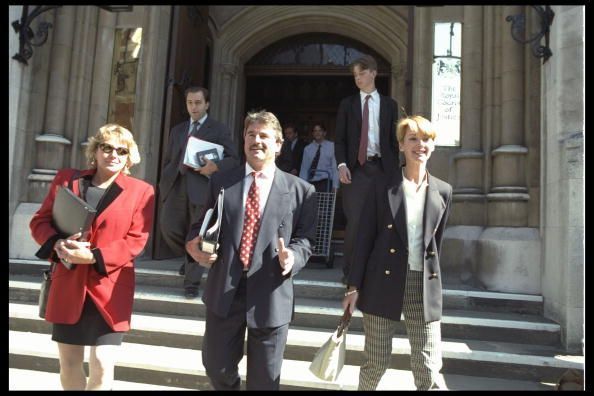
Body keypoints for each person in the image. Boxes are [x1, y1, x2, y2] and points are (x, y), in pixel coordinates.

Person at [185, 110, 317, 390]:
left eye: (264, 136)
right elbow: (200, 225)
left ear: (279, 144)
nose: (257, 140)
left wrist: (292, 256)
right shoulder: (221, 183)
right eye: (251, 134)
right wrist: (194, 245)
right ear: (243, 140)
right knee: (216, 366)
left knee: (265, 381)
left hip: (270, 293)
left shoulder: (301, 191)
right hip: (225, 290)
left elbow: (306, 240)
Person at [29, 123, 155, 390]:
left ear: (130, 156)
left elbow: (136, 240)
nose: (114, 155)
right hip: (68, 283)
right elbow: (39, 222)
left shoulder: (141, 191)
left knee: (102, 361)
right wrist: (57, 244)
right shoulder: (67, 180)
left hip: (109, 287)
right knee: (69, 362)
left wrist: (94, 257)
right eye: (107, 148)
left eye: (122, 150)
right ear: (95, 151)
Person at [342, 116, 452, 390]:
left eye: (425, 139)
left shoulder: (444, 191)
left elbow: (435, 243)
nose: (420, 145)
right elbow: (364, 237)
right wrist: (353, 285)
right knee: (376, 362)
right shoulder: (383, 185)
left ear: (433, 146)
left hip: (422, 286)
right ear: (401, 146)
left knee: (428, 367)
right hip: (382, 281)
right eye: (412, 139)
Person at [158, 86, 239, 299]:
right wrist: (164, 181)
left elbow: (233, 159)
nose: (193, 107)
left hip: (202, 188)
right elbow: (169, 159)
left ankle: (191, 282)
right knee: (168, 227)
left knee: (197, 235)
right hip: (176, 185)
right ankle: (190, 257)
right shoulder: (178, 130)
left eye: (198, 103)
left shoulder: (219, 129)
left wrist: (216, 167)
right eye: (190, 103)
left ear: (207, 104)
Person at [334, 54, 399, 284]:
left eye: (361, 73)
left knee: (381, 221)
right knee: (356, 221)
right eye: (355, 75)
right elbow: (339, 139)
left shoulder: (390, 105)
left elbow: (394, 141)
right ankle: (351, 273)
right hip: (356, 170)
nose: (358, 79)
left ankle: (375, 271)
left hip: (383, 169)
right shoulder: (348, 104)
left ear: (373, 73)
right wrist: (341, 165)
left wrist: (395, 171)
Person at [299, 123, 339, 192]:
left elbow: (335, 168)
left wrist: (335, 185)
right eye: (315, 131)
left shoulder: (332, 147)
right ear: (312, 133)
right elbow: (304, 168)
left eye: (320, 131)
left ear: (324, 133)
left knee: (326, 202)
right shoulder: (307, 149)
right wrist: (302, 186)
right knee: (311, 202)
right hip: (311, 182)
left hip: (327, 181)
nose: (317, 133)